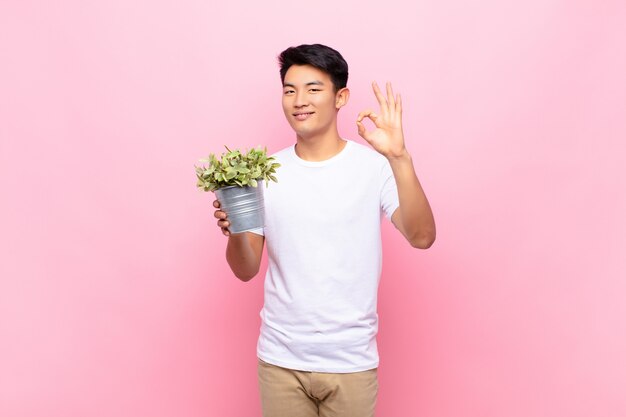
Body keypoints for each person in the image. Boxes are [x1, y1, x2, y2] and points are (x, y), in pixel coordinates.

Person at [212, 44, 435, 417]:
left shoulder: (373, 167)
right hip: (281, 359)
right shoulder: (262, 172)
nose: (299, 100)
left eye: (314, 89)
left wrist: (399, 157)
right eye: (289, 89)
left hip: (350, 360)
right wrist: (236, 226)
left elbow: (422, 236)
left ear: (340, 97)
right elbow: (245, 269)